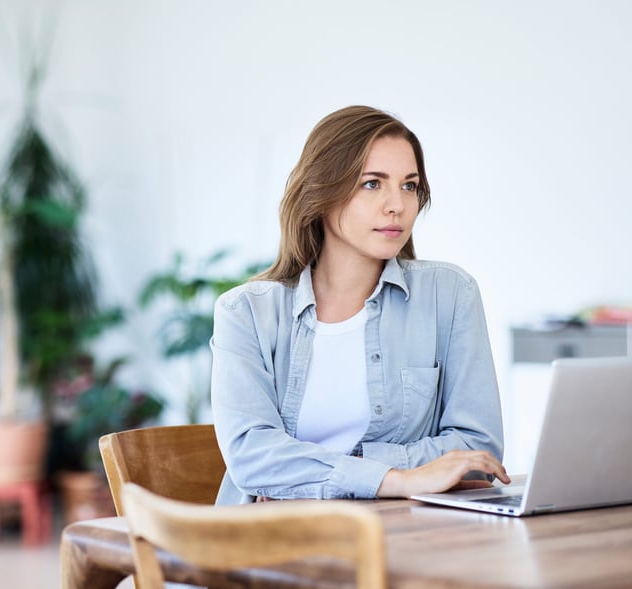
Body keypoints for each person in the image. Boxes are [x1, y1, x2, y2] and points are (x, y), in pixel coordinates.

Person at [211, 105, 510, 504]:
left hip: (410, 538)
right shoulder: (245, 312)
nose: (397, 205)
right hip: (269, 545)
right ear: (321, 191)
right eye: (372, 184)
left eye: (409, 185)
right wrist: (397, 479)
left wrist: (308, 473)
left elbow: (478, 452)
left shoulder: (450, 294)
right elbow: (251, 459)